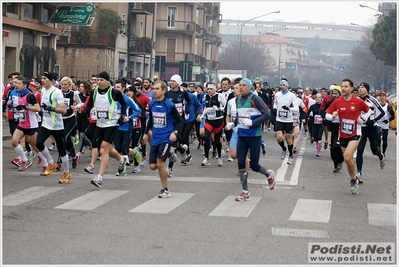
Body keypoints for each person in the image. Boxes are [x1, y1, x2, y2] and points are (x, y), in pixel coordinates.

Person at [227, 78, 275, 201]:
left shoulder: (255, 99)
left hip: (254, 135)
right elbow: (239, 115)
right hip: (242, 135)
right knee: (241, 163)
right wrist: (233, 123)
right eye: (239, 85)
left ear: (249, 87)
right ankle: (245, 191)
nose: (241, 87)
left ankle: (268, 174)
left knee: (254, 165)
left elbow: (267, 114)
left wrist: (253, 122)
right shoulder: (237, 100)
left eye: (244, 85)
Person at [82, 71, 128, 188]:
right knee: (100, 147)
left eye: (101, 80)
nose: (99, 82)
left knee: (103, 149)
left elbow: (124, 104)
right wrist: (85, 112)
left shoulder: (114, 92)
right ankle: (120, 158)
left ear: (108, 81)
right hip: (99, 124)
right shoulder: (94, 92)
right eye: (98, 80)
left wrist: (122, 115)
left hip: (111, 124)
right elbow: (90, 104)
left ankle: (99, 178)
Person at [325, 78, 371, 194]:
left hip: (355, 133)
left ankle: (352, 179)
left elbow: (369, 111)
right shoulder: (338, 102)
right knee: (348, 159)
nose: (343, 88)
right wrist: (333, 116)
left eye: (346, 86)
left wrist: (363, 119)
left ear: (351, 88)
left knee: (346, 156)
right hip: (343, 133)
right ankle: (354, 178)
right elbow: (327, 115)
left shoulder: (358, 101)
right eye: (342, 86)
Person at [142, 81, 184, 198]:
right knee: (152, 166)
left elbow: (180, 120)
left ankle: (165, 189)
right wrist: (146, 133)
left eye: (157, 89)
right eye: (153, 89)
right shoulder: (152, 104)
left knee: (160, 164)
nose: (154, 91)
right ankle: (170, 154)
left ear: (164, 91)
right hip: (155, 137)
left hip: (166, 137)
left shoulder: (169, 105)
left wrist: (175, 133)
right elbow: (151, 119)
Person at [35, 72, 72, 184]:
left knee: (62, 150)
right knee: (39, 143)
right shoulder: (42, 90)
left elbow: (64, 110)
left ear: (51, 80)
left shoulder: (57, 93)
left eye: (45, 78)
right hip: (46, 124)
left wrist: (51, 108)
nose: (42, 80)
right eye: (42, 78)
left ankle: (67, 172)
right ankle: (51, 162)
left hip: (57, 126)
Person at [10, 76, 45, 172]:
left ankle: (46, 162)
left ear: (25, 85)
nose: (15, 85)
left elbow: (37, 108)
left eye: (18, 83)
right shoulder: (18, 94)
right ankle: (24, 159)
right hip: (22, 122)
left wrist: (25, 107)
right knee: (14, 141)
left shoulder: (30, 95)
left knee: (34, 144)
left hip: (31, 124)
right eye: (15, 83)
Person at [355, 82, 386, 183]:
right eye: (359, 87)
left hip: (372, 128)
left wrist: (373, 121)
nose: (360, 89)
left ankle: (380, 156)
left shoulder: (372, 100)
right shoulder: (357, 100)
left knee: (374, 150)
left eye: (362, 87)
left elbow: (382, 112)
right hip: (361, 128)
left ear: (367, 89)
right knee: (360, 150)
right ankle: (359, 173)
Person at [113, 79, 142, 176]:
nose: (116, 89)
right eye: (115, 87)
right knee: (118, 149)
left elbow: (138, 110)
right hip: (116, 127)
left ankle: (122, 170)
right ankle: (135, 152)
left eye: (118, 87)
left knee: (124, 149)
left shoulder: (128, 99)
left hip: (126, 128)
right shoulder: (112, 99)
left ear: (123, 88)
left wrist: (129, 118)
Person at [165, 74, 191, 176]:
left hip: (179, 121)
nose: (171, 83)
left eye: (174, 81)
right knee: (173, 143)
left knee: (173, 142)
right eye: (170, 81)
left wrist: (187, 109)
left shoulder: (183, 93)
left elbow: (189, 101)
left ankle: (170, 168)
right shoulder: (167, 93)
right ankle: (182, 149)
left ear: (178, 83)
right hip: (170, 120)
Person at [201, 82, 226, 167]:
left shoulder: (220, 96)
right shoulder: (206, 96)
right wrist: (203, 115)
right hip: (209, 120)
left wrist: (219, 108)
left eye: (211, 89)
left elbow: (226, 107)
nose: (209, 91)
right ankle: (206, 158)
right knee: (206, 137)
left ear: (215, 89)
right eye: (208, 89)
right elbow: (206, 107)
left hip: (218, 120)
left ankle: (219, 157)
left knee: (217, 140)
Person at [273, 79, 297, 164]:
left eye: (284, 85)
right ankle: (283, 148)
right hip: (279, 119)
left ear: (287, 86)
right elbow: (275, 103)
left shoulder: (292, 96)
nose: (282, 86)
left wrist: (289, 108)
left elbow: (296, 108)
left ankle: (291, 156)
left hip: (288, 120)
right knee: (279, 137)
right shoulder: (277, 94)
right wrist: (275, 109)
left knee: (288, 139)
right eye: (281, 85)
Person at [322, 85, 344, 172]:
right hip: (331, 126)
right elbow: (323, 113)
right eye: (333, 93)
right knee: (331, 148)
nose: (334, 95)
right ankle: (336, 164)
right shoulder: (329, 103)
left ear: (340, 94)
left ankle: (341, 160)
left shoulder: (343, 103)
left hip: (340, 127)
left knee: (336, 146)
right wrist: (331, 116)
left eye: (336, 93)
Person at [376, 91, 395, 159]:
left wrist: (388, 120)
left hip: (385, 124)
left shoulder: (388, 106)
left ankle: (383, 153)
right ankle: (379, 151)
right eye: (380, 96)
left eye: (383, 96)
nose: (382, 97)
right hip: (377, 124)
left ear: (385, 97)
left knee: (385, 140)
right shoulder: (376, 105)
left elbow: (393, 116)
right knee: (378, 138)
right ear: (378, 97)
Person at [308, 93, 324, 157]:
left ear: (321, 99)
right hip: (314, 123)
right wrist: (308, 118)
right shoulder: (313, 106)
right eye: (317, 98)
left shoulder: (323, 106)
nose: (318, 99)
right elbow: (308, 113)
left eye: (319, 98)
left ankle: (318, 150)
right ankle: (318, 144)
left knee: (320, 135)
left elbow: (327, 112)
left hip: (321, 123)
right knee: (315, 136)